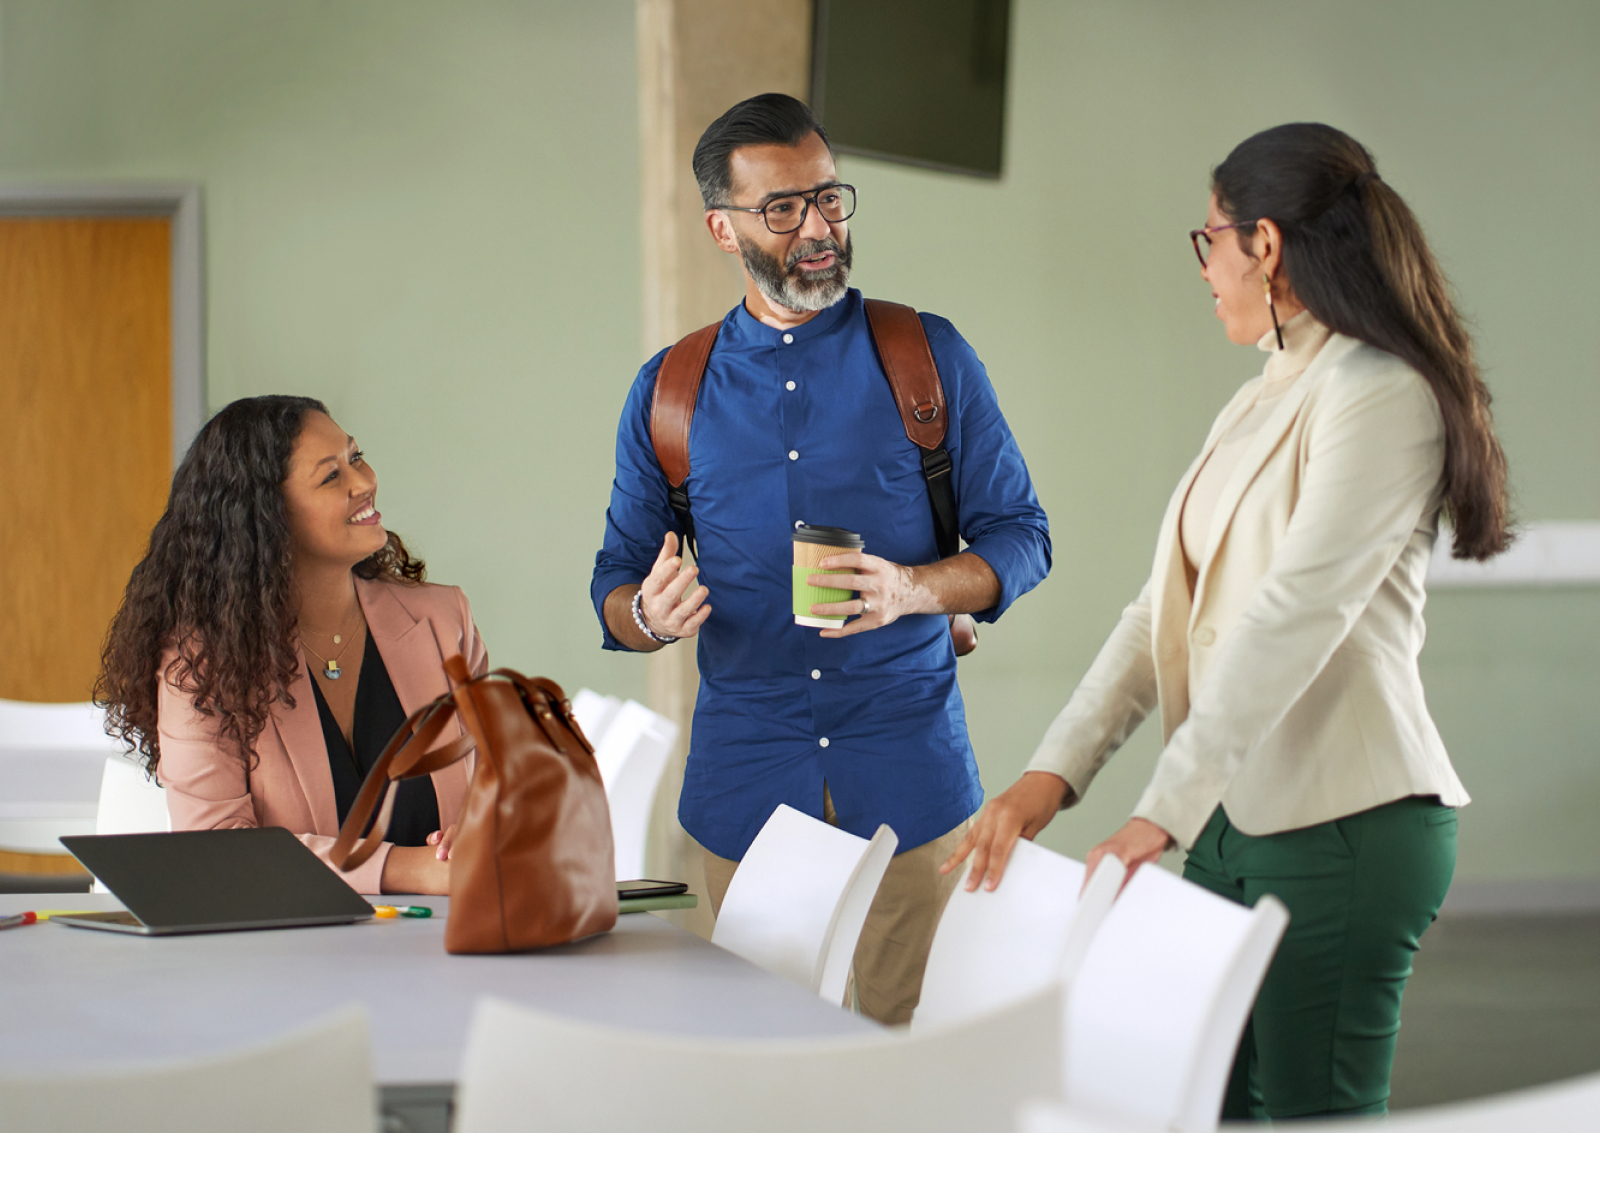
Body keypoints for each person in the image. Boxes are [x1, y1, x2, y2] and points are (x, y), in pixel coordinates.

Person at [944, 122, 1511, 1118]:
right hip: (1225, 817)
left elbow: (1295, 615)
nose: (1202, 266)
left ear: (1267, 244)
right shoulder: (1261, 398)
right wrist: (1050, 777)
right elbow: (1155, 614)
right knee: (1208, 1122)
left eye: (1208, 239)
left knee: (1305, 1136)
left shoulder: (1382, 395)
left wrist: (1156, 809)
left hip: (1344, 820)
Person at [591, 93, 1050, 1025]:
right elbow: (615, 580)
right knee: (767, 1061)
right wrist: (648, 616)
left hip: (910, 777)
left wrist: (915, 588)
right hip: (747, 786)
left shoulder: (928, 356)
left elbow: (1022, 537)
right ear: (724, 227)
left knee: (904, 1056)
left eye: (829, 198)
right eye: (783, 208)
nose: (818, 228)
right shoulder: (669, 391)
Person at [98, 395, 488, 894]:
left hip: (450, 953)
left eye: (356, 457)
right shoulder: (204, 662)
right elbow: (214, 849)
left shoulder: (442, 620)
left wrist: (482, 831)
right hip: (289, 959)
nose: (364, 481)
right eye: (331, 477)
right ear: (264, 517)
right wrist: (407, 869)